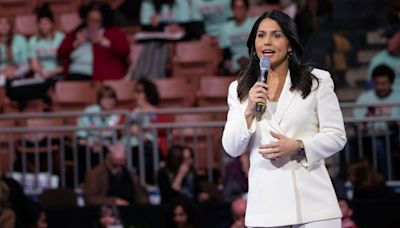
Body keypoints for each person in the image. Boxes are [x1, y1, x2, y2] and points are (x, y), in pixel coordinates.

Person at [222, 10, 347, 227]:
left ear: (290, 44)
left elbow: (336, 136)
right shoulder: (240, 89)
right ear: (254, 44)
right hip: (266, 210)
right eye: (261, 36)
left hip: (314, 207)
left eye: (276, 35)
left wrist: (298, 146)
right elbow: (232, 147)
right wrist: (249, 110)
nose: (267, 42)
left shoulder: (317, 81)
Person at [58, 1, 130, 81]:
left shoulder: (113, 33)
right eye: (90, 20)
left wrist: (104, 42)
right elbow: (61, 52)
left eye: (96, 21)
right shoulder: (77, 33)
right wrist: (76, 43)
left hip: (102, 78)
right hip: (75, 74)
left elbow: (124, 51)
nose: (92, 24)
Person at [353, 64, 400, 178]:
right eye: (377, 84)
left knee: (379, 145)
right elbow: (356, 122)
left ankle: (388, 180)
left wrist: (389, 121)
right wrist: (366, 120)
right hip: (368, 136)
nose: (380, 87)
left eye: (383, 84)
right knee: (347, 144)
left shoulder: (398, 97)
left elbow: (395, 122)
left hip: (393, 136)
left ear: (391, 82)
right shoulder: (364, 98)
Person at [84, 143, 149, 206]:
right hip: (106, 211)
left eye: (123, 161)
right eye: (117, 161)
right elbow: (91, 199)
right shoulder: (96, 174)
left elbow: (140, 195)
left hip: (132, 210)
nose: (120, 165)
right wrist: (114, 201)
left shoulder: (130, 174)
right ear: (108, 157)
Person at [219, 0, 255, 75]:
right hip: (234, 64)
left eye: (241, 7)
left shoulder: (254, 24)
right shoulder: (226, 28)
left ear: (246, 9)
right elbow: (226, 52)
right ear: (232, 9)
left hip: (253, 62)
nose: (239, 10)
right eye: (236, 7)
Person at [366, 22, 400, 91]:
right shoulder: (378, 60)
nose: (387, 41)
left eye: (390, 37)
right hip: (388, 100)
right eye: (387, 37)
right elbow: (370, 88)